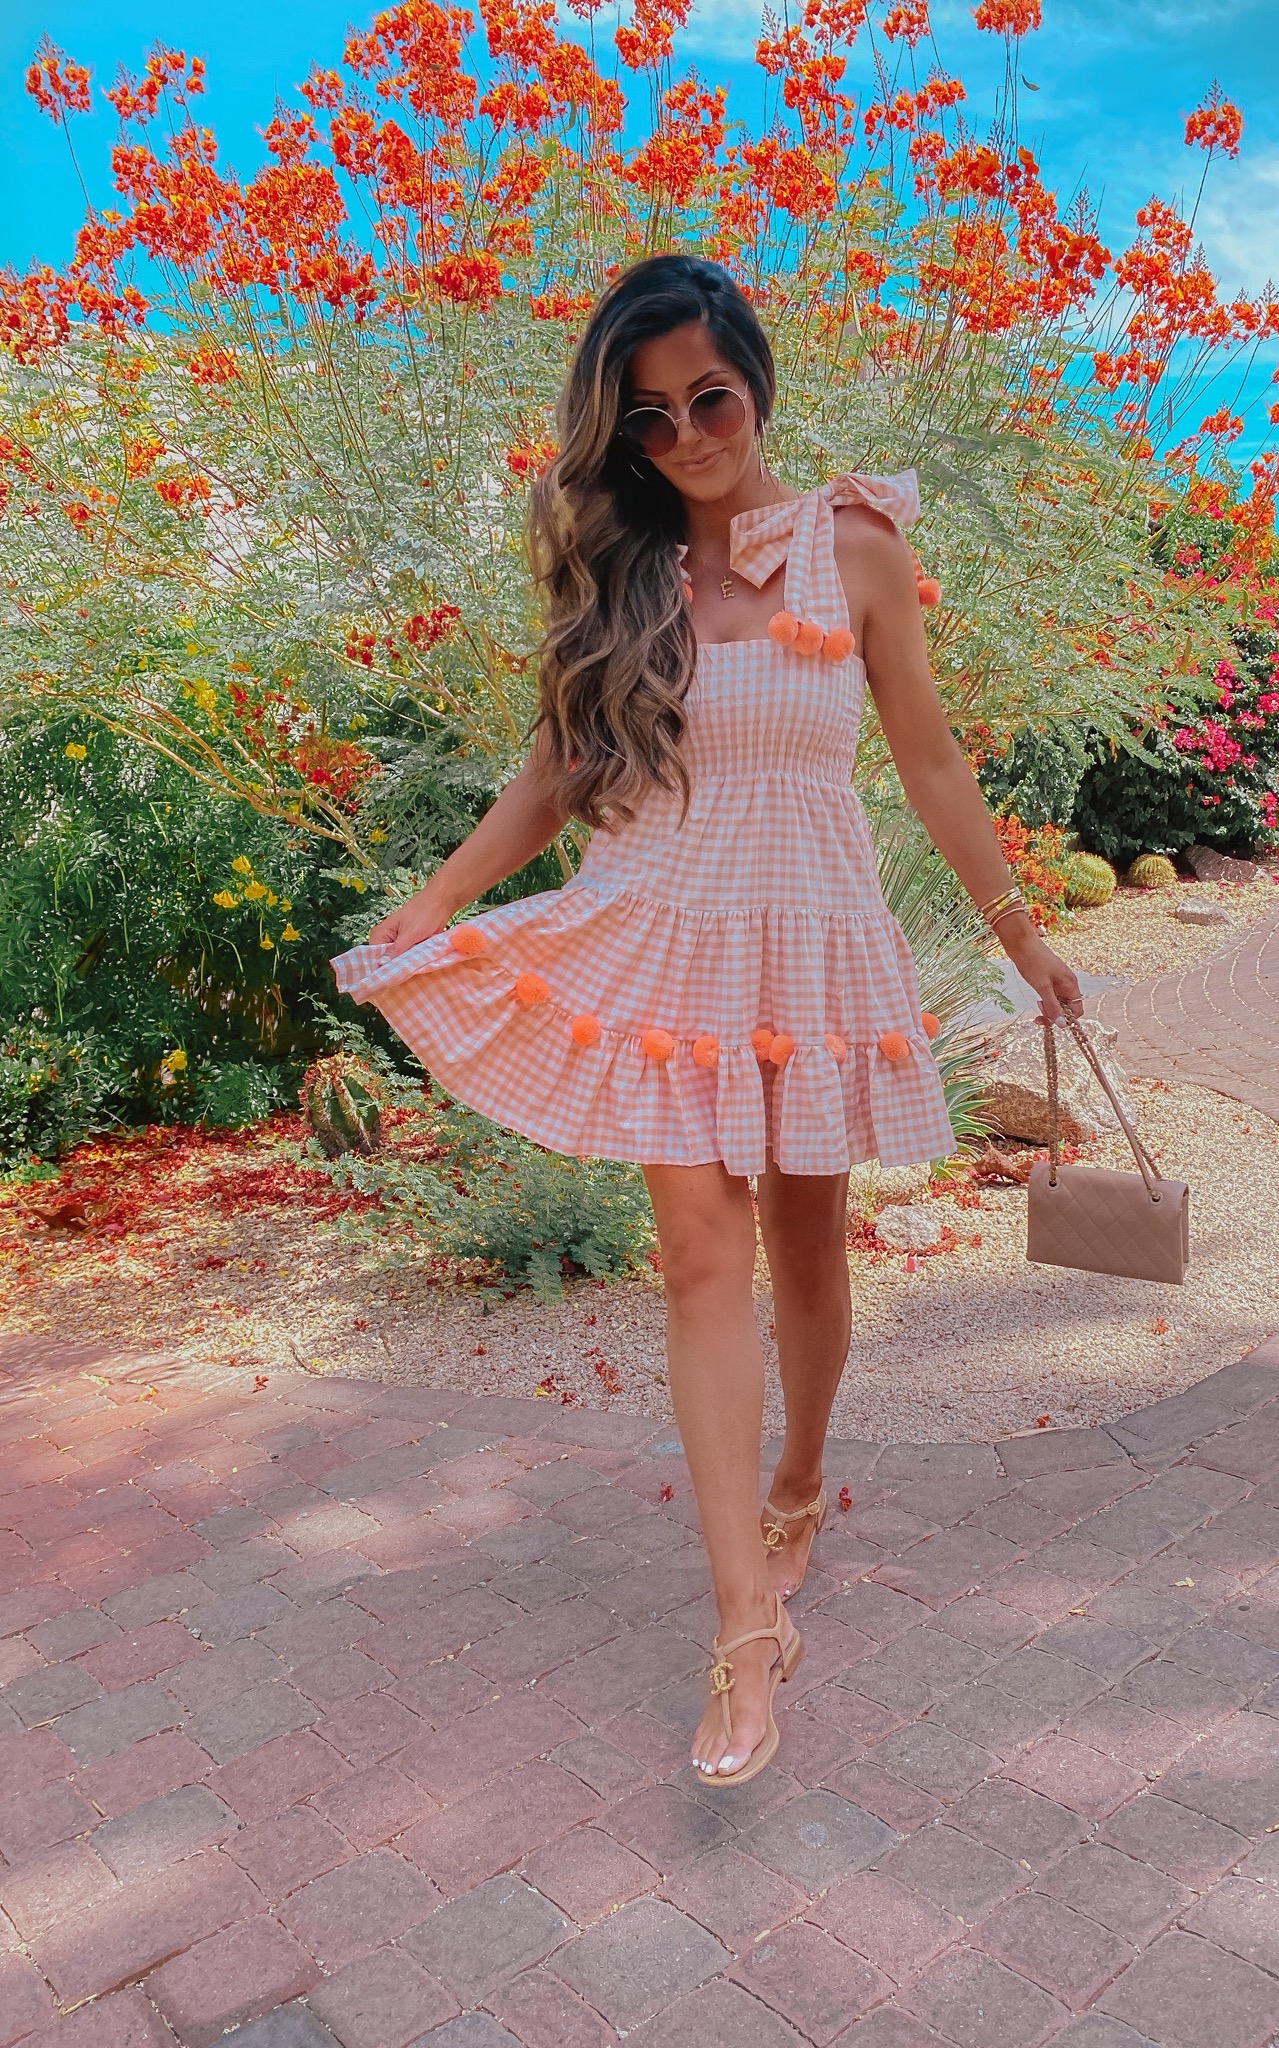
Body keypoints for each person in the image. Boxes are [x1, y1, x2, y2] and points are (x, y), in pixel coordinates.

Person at [331, 252, 1083, 1790]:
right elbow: (550, 775)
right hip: (660, 923)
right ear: (622, 437)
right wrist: (436, 903)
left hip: (805, 930)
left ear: (757, 385)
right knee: (695, 1251)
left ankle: (800, 1475)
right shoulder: (621, 577)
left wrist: (1020, 931)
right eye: (652, 417)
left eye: (710, 398)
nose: (687, 435)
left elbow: (930, 764)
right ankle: (746, 1626)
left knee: (809, 1243)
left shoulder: (856, 549)